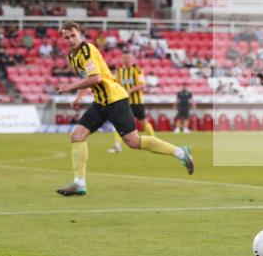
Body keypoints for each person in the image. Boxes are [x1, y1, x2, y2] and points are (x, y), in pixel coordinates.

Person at [54, 21, 194, 196]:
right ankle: (79, 183)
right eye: (66, 37)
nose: (70, 39)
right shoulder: (72, 57)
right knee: (77, 135)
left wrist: (70, 86)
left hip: (115, 99)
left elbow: (96, 78)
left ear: (80, 34)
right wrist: (79, 97)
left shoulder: (86, 50)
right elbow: (86, 77)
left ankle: (181, 152)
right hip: (100, 102)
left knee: (133, 142)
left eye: (73, 35)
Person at [109, 53, 157, 153]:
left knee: (143, 121)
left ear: (132, 59)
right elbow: (116, 84)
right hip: (123, 101)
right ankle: (117, 145)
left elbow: (142, 84)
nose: (126, 60)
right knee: (119, 122)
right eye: (124, 58)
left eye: (128, 58)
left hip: (137, 101)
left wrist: (131, 90)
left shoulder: (137, 70)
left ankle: (155, 141)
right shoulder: (119, 71)